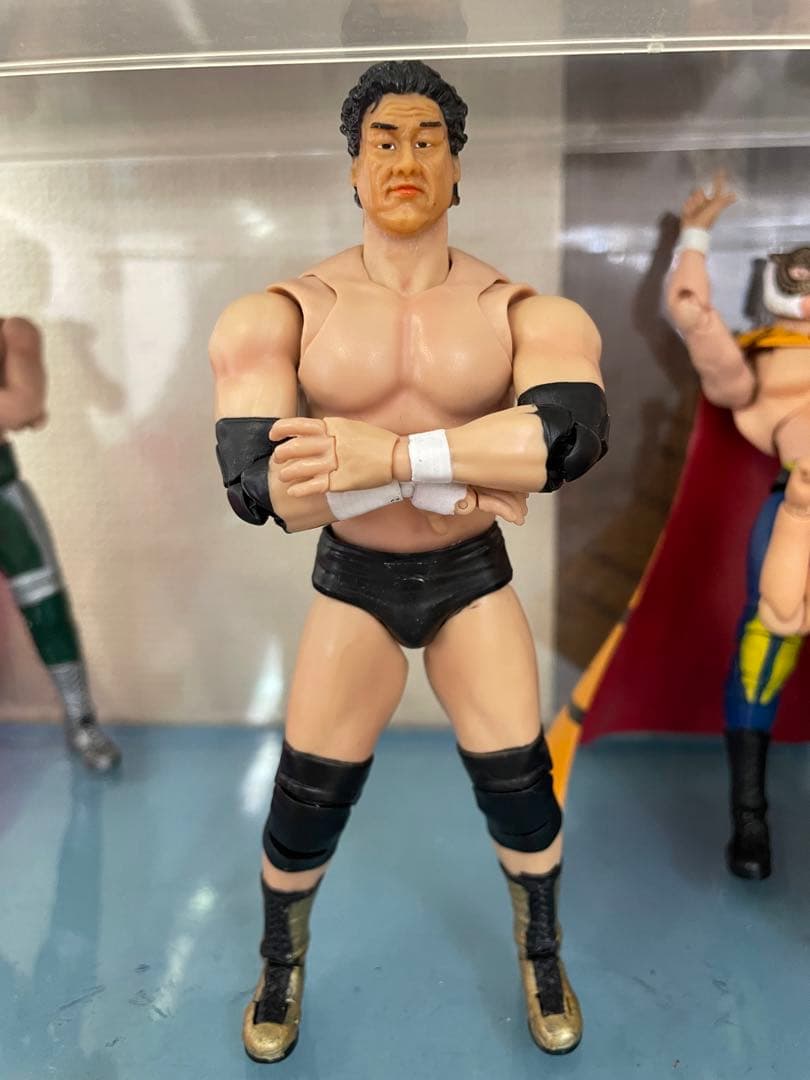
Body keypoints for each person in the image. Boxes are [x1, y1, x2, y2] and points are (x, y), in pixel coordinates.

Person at [210, 60, 607, 1063]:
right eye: (384, 140)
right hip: (357, 584)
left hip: (472, 580)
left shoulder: (523, 311)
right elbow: (262, 489)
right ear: (353, 166)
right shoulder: (283, 312)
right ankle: (279, 961)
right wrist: (469, 466)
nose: (406, 159)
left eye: (428, 140)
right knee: (307, 797)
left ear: (457, 166)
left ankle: (543, 953)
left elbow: (564, 440)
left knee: (521, 786)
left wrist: (383, 460)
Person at [667, 172, 810, 880]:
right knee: (768, 638)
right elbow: (696, 321)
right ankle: (749, 816)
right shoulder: (760, 361)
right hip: (797, 509)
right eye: (797, 279)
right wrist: (694, 237)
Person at [0, 316, 120, 772]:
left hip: (4, 498)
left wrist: (20, 408)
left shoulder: (12, 332)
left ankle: (80, 717)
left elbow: (23, 405)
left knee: (46, 606)